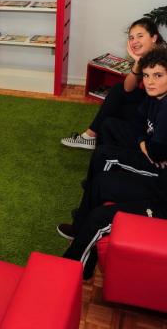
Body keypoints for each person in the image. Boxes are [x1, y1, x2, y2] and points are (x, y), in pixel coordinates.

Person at [57, 47, 167, 279]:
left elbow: (157, 153)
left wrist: (149, 147)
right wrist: (143, 144)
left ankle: (70, 271)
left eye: (158, 76)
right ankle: (79, 232)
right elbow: (139, 125)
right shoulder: (154, 98)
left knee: (101, 212)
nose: (149, 82)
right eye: (146, 76)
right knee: (100, 183)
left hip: (161, 188)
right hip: (158, 180)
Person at [61, 18, 166, 150]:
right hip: (149, 103)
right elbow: (127, 88)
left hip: (158, 112)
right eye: (131, 38)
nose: (135, 41)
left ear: (154, 37)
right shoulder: (146, 57)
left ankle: (92, 137)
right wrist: (138, 62)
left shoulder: (162, 59)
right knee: (118, 92)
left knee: (116, 107)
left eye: (140, 36)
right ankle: (92, 137)